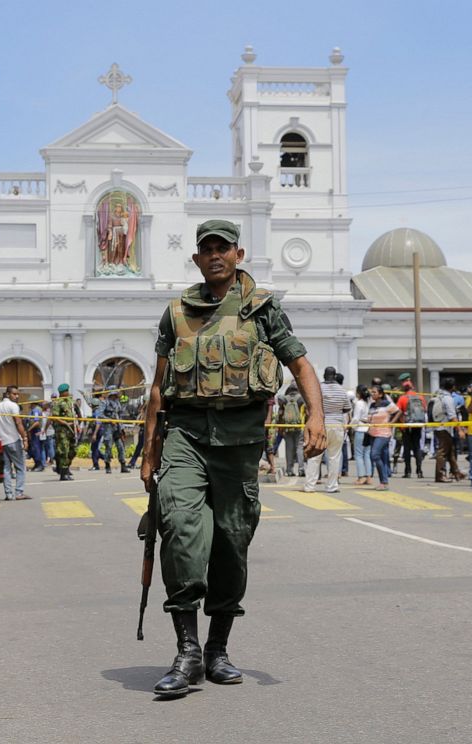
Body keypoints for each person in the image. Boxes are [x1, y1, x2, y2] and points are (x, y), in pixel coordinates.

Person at [140, 219, 325, 697]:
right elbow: (158, 387)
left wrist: (315, 419)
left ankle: (217, 649)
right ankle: (187, 651)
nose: (216, 255)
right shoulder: (177, 312)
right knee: (179, 529)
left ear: (238, 255)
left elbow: (299, 363)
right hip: (185, 436)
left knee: (230, 542)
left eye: (224, 248)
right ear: (198, 259)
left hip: (240, 442)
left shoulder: (262, 308)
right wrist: (149, 452)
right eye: (207, 250)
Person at [304, 367, 351, 493]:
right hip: (337, 426)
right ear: (335, 376)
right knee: (334, 457)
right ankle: (332, 486)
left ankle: (310, 486)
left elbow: (310, 406)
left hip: (321, 425)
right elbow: (347, 408)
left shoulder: (318, 389)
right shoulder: (342, 390)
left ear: (324, 376)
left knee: (315, 456)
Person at [0, 386, 31, 500]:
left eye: (17, 394)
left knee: (6, 468)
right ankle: (19, 493)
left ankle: (9, 494)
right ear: (8, 394)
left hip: (2, 441)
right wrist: (24, 438)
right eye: (14, 394)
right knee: (20, 467)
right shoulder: (13, 406)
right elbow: (18, 423)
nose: (17, 396)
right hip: (13, 440)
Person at [432, 377, 466, 483]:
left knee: (450, 450)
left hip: (438, 426)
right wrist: (459, 430)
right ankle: (440, 475)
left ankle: (456, 473)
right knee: (442, 452)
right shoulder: (448, 398)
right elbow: (452, 415)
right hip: (444, 428)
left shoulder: (438, 396)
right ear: (453, 387)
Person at [367, 385, 400, 490]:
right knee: (380, 457)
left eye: (374, 392)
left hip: (383, 434)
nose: (372, 394)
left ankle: (384, 481)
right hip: (372, 433)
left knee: (374, 455)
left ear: (380, 394)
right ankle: (384, 482)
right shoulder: (372, 405)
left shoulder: (386, 404)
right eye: (371, 392)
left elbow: (398, 412)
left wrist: (392, 422)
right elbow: (370, 418)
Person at [395, 379, 426, 479]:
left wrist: (401, 425)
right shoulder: (420, 397)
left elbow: (398, 412)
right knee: (417, 447)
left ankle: (407, 471)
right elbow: (424, 409)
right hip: (418, 425)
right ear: (412, 387)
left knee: (407, 449)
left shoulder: (402, 398)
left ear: (404, 388)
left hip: (407, 425)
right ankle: (419, 471)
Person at [51, 384, 78, 481]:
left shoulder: (70, 402)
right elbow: (54, 417)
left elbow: (75, 414)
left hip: (71, 430)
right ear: (62, 393)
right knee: (64, 451)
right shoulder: (57, 403)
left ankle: (64, 467)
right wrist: (65, 423)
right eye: (66, 391)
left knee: (73, 451)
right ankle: (63, 473)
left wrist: (76, 424)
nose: (68, 392)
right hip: (62, 431)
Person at [279, 386, 305, 477]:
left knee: (289, 448)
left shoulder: (284, 399)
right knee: (299, 448)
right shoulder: (301, 399)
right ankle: (301, 469)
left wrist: (280, 427)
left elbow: (280, 413)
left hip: (287, 427)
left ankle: (289, 470)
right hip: (299, 426)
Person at [351, 385, 372, 485]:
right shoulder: (368, 402)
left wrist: (351, 427)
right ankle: (368, 476)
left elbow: (356, 418)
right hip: (368, 429)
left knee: (358, 454)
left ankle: (361, 476)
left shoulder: (359, 403)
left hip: (360, 429)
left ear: (358, 393)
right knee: (367, 454)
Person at [27, 400, 45, 471]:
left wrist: (29, 429)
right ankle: (36, 464)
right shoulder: (33, 410)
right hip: (33, 430)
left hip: (35, 431)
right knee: (33, 448)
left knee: (36, 448)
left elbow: (36, 422)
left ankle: (39, 465)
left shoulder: (36, 410)